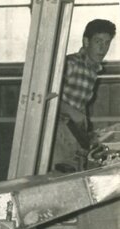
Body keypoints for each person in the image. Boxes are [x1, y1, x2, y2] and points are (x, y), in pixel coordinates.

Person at [53, 19, 116, 173]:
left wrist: (88, 132)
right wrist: (75, 115)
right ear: (86, 41)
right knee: (61, 177)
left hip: (74, 130)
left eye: (107, 43)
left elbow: (80, 105)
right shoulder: (70, 64)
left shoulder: (92, 69)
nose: (103, 48)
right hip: (59, 132)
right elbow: (50, 97)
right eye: (98, 41)